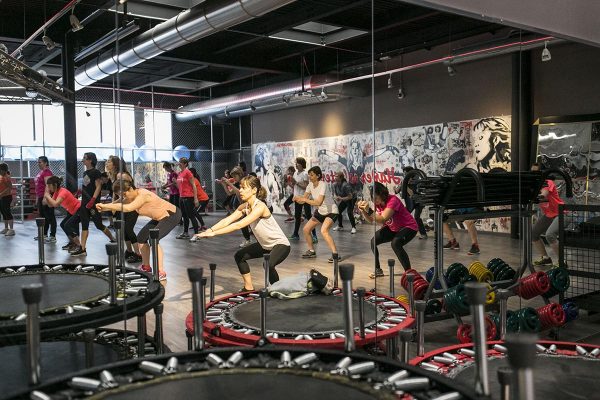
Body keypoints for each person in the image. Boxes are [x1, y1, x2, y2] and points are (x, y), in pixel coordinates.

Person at [196, 175, 290, 292]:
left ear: (254, 190)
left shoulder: (260, 206)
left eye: (244, 188)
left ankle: (279, 290)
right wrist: (209, 230)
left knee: (268, 265)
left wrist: (214, 234)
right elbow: (227, 220)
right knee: (240, 256)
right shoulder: (244, 206)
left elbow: (238, 225)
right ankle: (248, 287)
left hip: (280, 244)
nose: (240, 190)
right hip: (265, 245)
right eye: (240, 187)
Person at [96, 180, 182, 281]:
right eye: (121, 195)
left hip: (171, 215)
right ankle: (146, 267)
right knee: (141, 238)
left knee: (153, 239)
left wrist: (106, 206)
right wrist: (102, 207)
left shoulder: (143, 195)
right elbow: (117, 203)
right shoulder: (130, 197)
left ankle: (161, 271)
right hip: (158, 217)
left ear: (131, 188)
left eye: (124, 193)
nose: (124, 196)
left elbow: (128, 208)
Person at [358, 182, 417, 277]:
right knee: (373, 241)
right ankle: (378, 270)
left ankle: (409, 272)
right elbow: (371, 220)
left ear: (382, 194)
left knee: (395, 243)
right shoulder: (379, 204)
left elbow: (382, 219)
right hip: (393, 228)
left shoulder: (393, 200)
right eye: (372, 198)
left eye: (375, 198)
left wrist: (369, 210)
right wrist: (364, 211)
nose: (374, 200)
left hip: (409, 227)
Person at [294, 166, 339, 262]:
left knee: (324, 231)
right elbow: (303, 201)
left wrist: (304, 199)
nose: (310, 177)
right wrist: (298, 199)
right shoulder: (310, 185)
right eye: (309, 175)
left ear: (318, 175)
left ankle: (335, 255)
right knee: (306, 229)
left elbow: (318, 202)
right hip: (320, 212)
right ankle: (311, 251)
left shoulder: (323, 185)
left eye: (312, 175)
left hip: (331, 211)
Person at [75, 152, 115, 256]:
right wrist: (79, 193)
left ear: (90, 160)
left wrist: (93, 200)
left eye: (85, 158)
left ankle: (112, 238)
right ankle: (82, 248)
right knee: (84, 225)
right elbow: (85, 186)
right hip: (84, 203)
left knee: (99, 225)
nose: (83, 160)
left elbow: (98, 187)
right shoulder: (85, 173)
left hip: (93, 203)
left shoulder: (96, 172)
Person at [106, 155, 142, 263]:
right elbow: (115, 193)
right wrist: (113, 206)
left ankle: (138, 254)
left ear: (115, 164)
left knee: (128, 229)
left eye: (109, 161)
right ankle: (130, 251)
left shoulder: (122, 175)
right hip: (123, 206)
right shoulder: (115, 176)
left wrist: (112, 205)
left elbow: (128, 195)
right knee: (123, 230)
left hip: (131, 206)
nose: (107, 163)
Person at [531, 163, 564, 266]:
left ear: (542, 173)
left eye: (536, 172)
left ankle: (562, 262)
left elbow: (543, 195)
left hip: (561, 213)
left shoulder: (547, 182)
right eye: (532, 172)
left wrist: (535, 196)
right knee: (533, 234)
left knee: (550, 235)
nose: (534, 174)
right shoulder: (534, 185)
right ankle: (546, 259)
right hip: (549, 215)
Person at [43, 176, 82, 252]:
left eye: (49, 186)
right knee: (63, 225)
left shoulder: (62, 192)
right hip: (73, 211)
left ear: (55, 185)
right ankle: (72, 243)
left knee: (68, 225)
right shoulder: (56, 192)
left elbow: (56, 204)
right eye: (48, 186)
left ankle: (79, 246)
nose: (49, 188)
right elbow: (50, 205)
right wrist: (48, 198)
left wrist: (48, 196)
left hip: (79, 210)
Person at [218, 166, 254, 247]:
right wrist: (224, 184)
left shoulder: (244, 182)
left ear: (240, 174)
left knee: (251, 223)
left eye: (235, 176)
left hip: (250, 204)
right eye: (233, 176)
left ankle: (252, 240)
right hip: (244, 205)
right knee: (244, 223)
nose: (234, 178)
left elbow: (239, 192)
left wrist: (229, 183)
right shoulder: (237, 183)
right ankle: (248, 240)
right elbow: (229, 193)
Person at [290, 157, 317, 242]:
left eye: (297, 163)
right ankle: (295, 234)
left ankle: (314, 236)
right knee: (297, 217)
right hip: (298, 198)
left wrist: (296, 183)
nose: (296, 164)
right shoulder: (295, 174)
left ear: (301, 164)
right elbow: (294, 186)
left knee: (309, 216)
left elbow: (305, 187)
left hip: (305, 198)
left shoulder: (305, 174)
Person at [176, 157, 199, 239]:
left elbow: (193, 185)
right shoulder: (180, 173)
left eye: (181, 162)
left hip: (189, 197)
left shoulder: (188, 172)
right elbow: (180, 186)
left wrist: (195, 198)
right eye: (179, 162)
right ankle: (185, 233)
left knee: (191, 216)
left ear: (185, 164)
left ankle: (197, 235)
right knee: (184, 216)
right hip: (181, 197)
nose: (179, 163)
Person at [34, 156, 56, 242]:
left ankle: (53, 236)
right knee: (43, 217)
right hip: (40, 196)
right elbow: (38, 186)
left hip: (46, 197)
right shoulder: (41, 172)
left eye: (40, 162)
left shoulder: (47, 172)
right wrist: (38, 198)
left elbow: (48, 185)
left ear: (46, 163)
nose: (38, 164)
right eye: (38, 162)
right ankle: (44, 234)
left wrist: (45, 197)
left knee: (50, 216)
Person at [402, 166, 427, 239]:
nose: (405, 175)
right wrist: (402, 184)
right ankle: (403, 232)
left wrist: (406, 185)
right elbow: (396, 191)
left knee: (416, 217)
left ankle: (423, 234)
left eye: (406, 173)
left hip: (419, 202)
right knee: (404, 216)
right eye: (404, 174)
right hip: (411, 203)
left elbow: (413, 194)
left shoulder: (417, 181)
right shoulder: (406, 181)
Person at [0, 163, 15, 236]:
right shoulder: (1, 176)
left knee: (7, 212)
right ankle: (6, 228)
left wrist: (1, 194)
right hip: (2, 197)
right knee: (3, 212)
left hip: (7, 197)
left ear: (3, 170)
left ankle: (11, 229)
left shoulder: (7, 177)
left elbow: (10, 187)